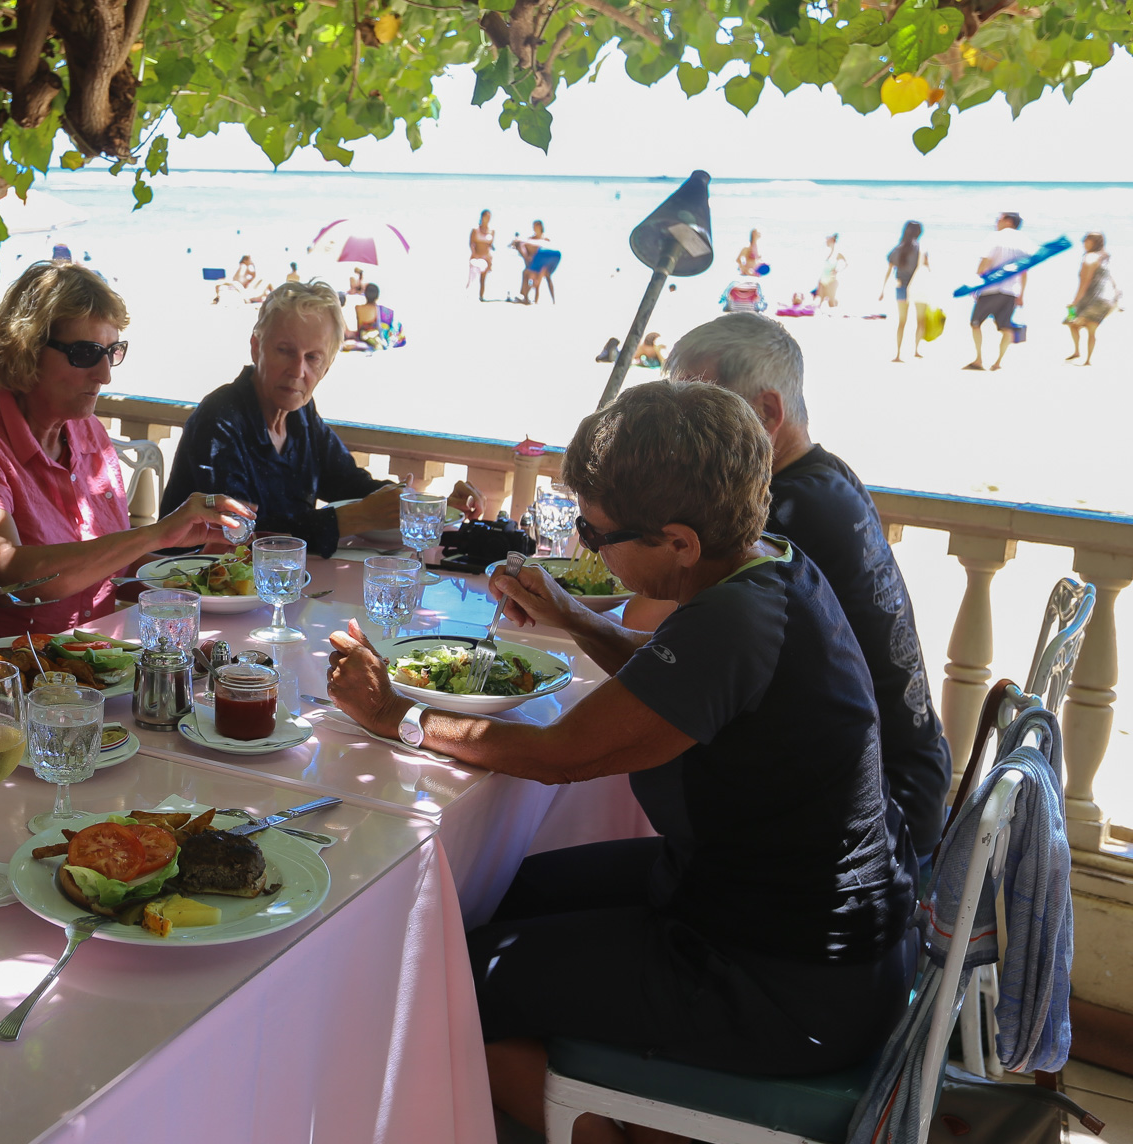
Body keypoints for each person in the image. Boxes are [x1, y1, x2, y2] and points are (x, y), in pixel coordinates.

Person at [324, 382, 915, 1141]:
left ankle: (610, 1130)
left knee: (449, 980)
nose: (587, 549)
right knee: (505, 889)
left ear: (679, 542)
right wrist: (571, 616)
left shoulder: (735, 624)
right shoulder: (769, 566)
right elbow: (677, 677)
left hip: (786, 982)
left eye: (598, 536)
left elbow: (559, 756)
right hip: (795, 922)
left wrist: (393, 714)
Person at [662, 313, 950, 855]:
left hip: (874, 826)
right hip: (911, 778)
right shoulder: (827, 477)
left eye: (702, 414)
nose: (682, 438)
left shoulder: (783, 514)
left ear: (767, 412)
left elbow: (655, 629)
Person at [0, 261, 252, 645]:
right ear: (25, 349)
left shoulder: (86, 433)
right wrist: (155, 535)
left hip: (94, 665)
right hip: (4, 676)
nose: (105, 374)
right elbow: (10, 575)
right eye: (85, 353)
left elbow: (112, 570)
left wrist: (199, 573)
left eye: (112, 351)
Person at [162, 281, 484, 558]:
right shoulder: (220, 419)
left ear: (326, 367)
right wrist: (352, 519)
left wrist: (433, 507)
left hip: (273, 595)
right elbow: (240, 537)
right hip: (189, 598)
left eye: (312, 357)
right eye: (285, 350)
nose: (297, 370)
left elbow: (353, 485)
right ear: (256, 347)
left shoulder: (301, 415)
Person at [968, 212, 1029, 371]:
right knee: (1005, 327)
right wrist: (1021, 294)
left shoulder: (995, 237)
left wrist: (975, 285)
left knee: (975, 323)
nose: (996, 222)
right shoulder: (1023, 241)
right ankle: (998, 362)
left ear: (1008, 221)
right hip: (1011, 291)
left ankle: (979, 359)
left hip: (991, 289)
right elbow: (1024, 271)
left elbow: (986, 261)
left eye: (999, 219)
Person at [881, 220, 930, 361]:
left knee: (902, 321)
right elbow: (927, 269)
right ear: (919, 233)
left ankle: (898, 353)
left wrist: (882, 289)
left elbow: (889, 270)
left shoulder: (897, 249)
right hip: (918, 288)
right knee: (920, 320)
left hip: (901, 287)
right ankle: (916, 350)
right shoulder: (921, 249)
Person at [1066, 232, 1116, 365]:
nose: (1084, 243)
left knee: (1071, 322)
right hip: (1106, 301)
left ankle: (1078, 352)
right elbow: (1112, 280)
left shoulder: (1089, 257)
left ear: (1094, 242)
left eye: (1087, 240)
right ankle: (1087, 359)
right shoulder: (1105, 258)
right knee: (1091, 329)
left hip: (1090, 300)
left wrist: (1074, 302)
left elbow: (1084, 282)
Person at [468, 209, 497, 301]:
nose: (488, 219)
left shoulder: (492, 231)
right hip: (476, 255)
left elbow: (490, 244)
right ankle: (470, 294)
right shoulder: (475, 230)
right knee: (473, 276)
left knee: (483, 278)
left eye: (489, 217)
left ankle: (481, 296)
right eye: (486, 217)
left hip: (487, 256)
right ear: (482, 217)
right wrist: (474, 253)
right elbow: (472, 243)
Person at [816, 232, 846, 310]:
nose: (826, 242)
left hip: (831, 282)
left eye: (827, 240)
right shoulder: (827, 252)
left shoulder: (837, 254)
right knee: (820, 304)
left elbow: (846, 264)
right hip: (823, 281)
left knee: (831, 304)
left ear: (832, 241)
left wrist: (837, 271)